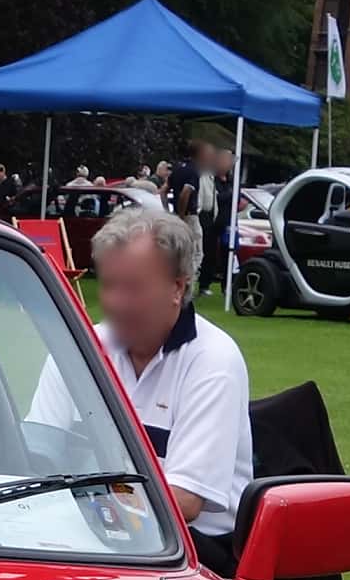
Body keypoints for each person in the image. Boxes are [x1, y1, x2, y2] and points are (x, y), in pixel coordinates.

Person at [43, 206, 252, 543]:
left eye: (133, 288)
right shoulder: (80, 348)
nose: (115, 303)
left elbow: (184, 502)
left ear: (177, 288)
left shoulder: (213, 360)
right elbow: (37, 453)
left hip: (188, 551)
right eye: (109, 285)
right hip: (87, 532)